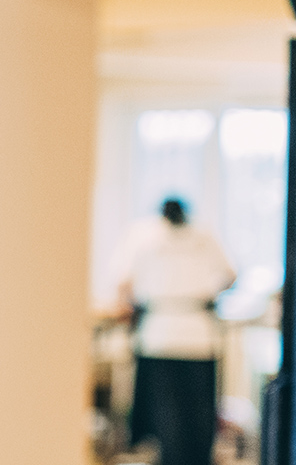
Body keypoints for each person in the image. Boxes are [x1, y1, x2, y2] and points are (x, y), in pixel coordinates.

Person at [114, 198, 235, 465]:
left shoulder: (145, 235)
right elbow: (229, 276)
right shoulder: (201, 236)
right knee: (197, 416)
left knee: (169, 416)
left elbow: (124, 283)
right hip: (194, 336)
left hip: (163, 335)